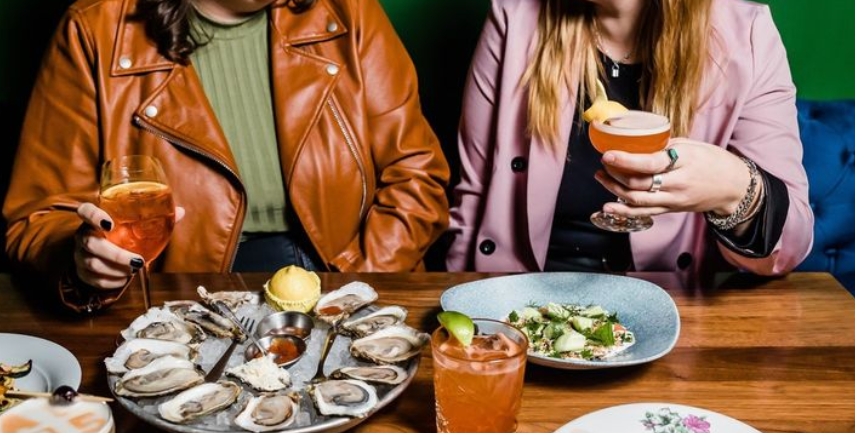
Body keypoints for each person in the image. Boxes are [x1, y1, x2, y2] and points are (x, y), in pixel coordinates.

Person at [3, 0, 449, 311]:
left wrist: (349, 291)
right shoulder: (93, 30)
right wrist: (83, 262)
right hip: (174, 295)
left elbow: (418, 175)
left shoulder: (349, 12)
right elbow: (40, 216)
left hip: (336, 273)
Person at [446, 0, 813, 276]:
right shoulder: (514, 18)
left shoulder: (746, 35)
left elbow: (789, 248)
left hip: (672, 312)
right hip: (524, 303)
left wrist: (735, 189)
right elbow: (473, 199)